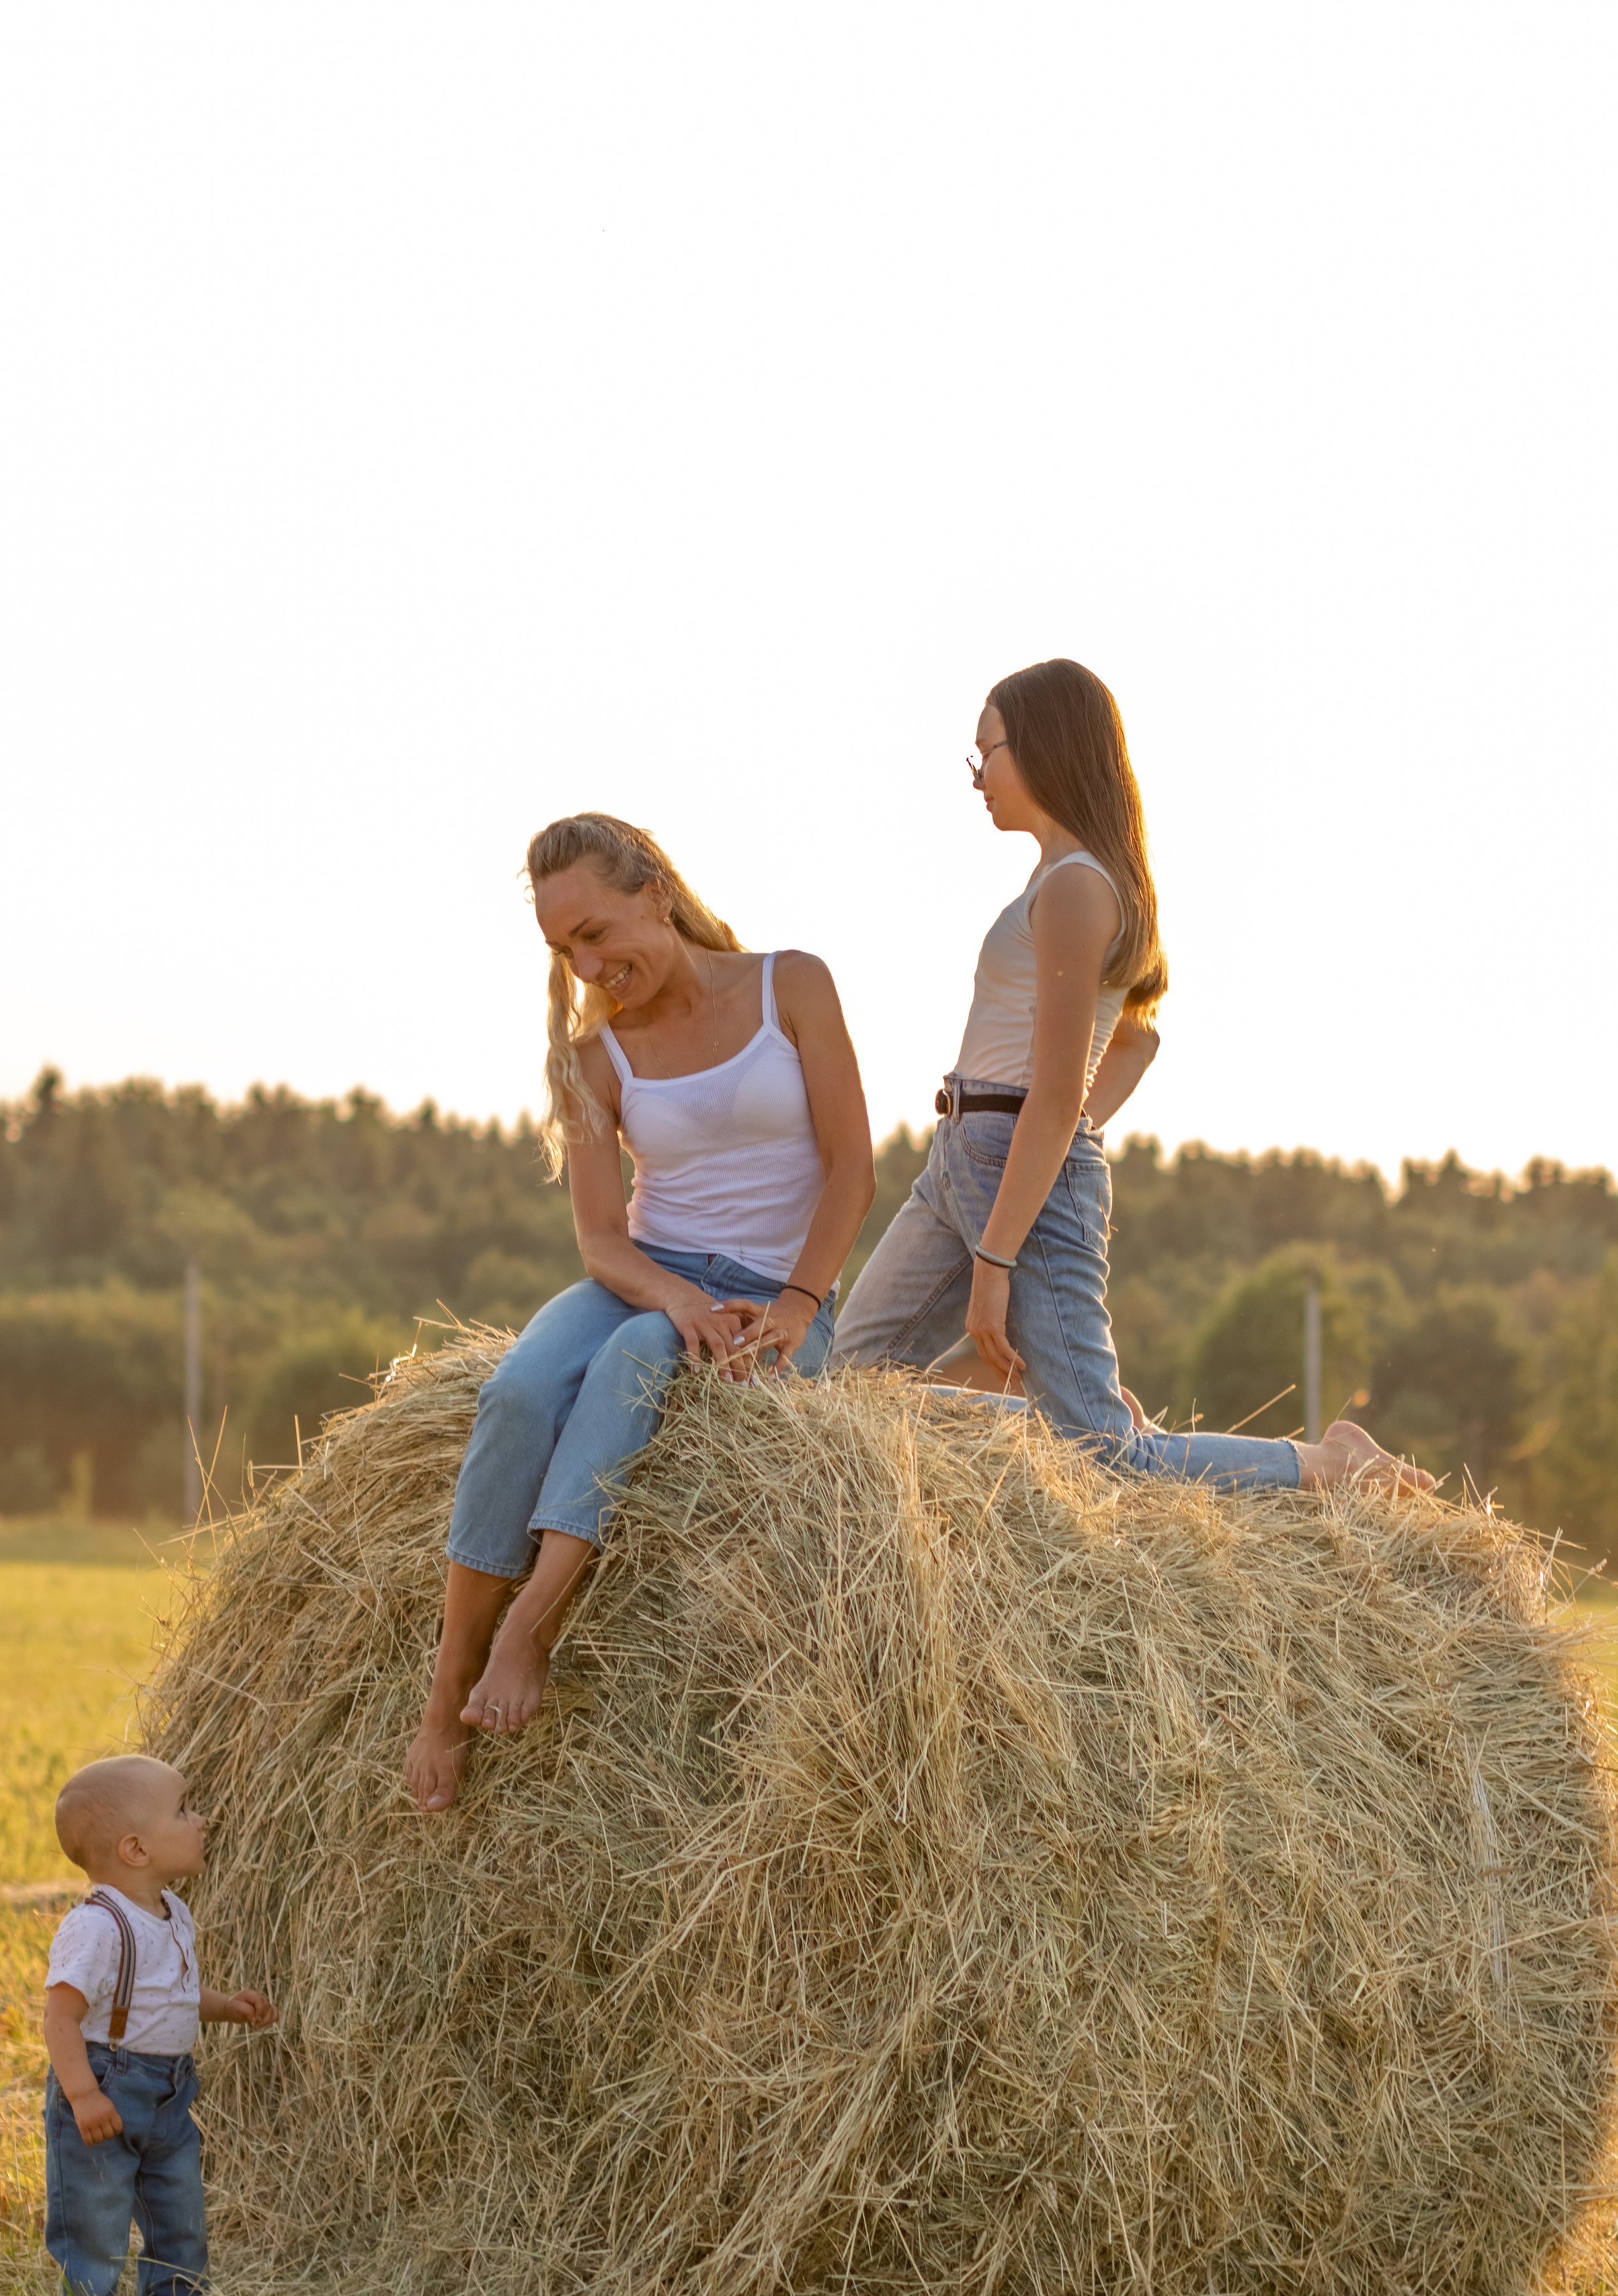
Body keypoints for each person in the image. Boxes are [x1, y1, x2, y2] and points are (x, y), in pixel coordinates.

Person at [834, 659, 1430, 1495]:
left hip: (1013, 1163)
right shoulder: (1054, 878)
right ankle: (1071, 1404)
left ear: (1039, 748)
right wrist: (1050, 1143)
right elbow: (1135, 1043)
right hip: (964, 1154)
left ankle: (1330, 1464)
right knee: (849, 1383)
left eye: (986, 753)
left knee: (1108, 1461)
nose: (977, 777)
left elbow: (1053, 1095)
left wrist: (999, 1254)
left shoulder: (1078, 888)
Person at [405, 813, 875, 1808]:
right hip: (649, 1272)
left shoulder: (793, 984)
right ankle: (446, 1691)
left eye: (597, 933)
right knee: (519, 1393)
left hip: (778, 1295)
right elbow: (602, 1242)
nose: (588, 966)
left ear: (655, 894)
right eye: (564, 949)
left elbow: (852, 1171)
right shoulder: (594, 1056)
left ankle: (529, 1628)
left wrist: (797, 1304)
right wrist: (677, 1295)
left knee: (635, 1362)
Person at [43, 1755, 276, 2296]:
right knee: (94, 2213)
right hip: (107, 2084)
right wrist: (83, 2094)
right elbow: (60, 2018)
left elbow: (169, 1996)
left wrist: (226, 2006)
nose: (202, 1820)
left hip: (170, 2091)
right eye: (184, 1811)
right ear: (136, 1850)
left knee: (179, 2205)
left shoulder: (173, 1911)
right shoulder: (97, 1926)